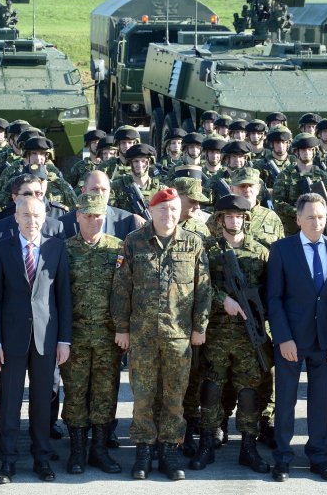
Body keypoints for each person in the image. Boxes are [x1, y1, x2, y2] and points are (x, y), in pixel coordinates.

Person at [111, 187, 211, 481]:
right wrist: (122, 328)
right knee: (143, 396)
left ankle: (169, 450)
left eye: (174, 209)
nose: (169, 215)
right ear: (152, 212)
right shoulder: (133, 242)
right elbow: (121, 288)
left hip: (179, 337)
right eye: (163, 209)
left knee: (174, 397)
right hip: (142, 336)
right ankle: (143, 450)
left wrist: (199, 327)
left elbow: (204, 289)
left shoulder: (193, 243)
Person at [0, 196, 73, 484]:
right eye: (25, 215)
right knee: (10, 403)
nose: (31, 220)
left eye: (37, 215)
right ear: (16, 217)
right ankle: (8, 461)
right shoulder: (0, 250)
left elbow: (63, 297)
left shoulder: (57, 248)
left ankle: (42, 459)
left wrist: (64, 340)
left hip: (46, 339)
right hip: (11, 341)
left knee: (42, 402)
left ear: (44, 217)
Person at [266, 192, 327, 483]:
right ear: (298, 218)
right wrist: (283, 337)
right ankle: (283, 458)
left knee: (321, 402)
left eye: (321, 217)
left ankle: (319, 458)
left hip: (325, 341)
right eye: (310, 217)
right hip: (291, 340)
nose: (317, 222)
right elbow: (273, 299)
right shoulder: (282, 249)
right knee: (285, 400)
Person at [189, 195, 271, 474]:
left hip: (250, 337)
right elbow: (198, 286)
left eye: (239, 217)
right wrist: (222, 299)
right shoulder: (208, 250)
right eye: (228, 216)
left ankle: (248, 445)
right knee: (211, 388)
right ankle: (208, 443)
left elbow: (271, 293)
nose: (234, 221)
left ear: (245, 219)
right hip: (217, 333)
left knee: (249, 391)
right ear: (220, 219)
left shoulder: (260, 252)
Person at [61, 193, 123, 475]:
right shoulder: (63, 250)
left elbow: (126, 293)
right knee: (74, 392)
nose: (92, 220)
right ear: (77, 217)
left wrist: (124, 329)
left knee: (105, 394)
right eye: (87, 215)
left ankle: (98, 449)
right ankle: (77, 450)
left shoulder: (118, 249)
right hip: (75, 337)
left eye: (98, 215)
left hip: (108, 338)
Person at [58, 170, 145, 240]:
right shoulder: (64, 223)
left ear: (110, 192)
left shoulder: (127, 220)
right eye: (94, 189)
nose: (99, 194)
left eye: (104, 190)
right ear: (84, 191)